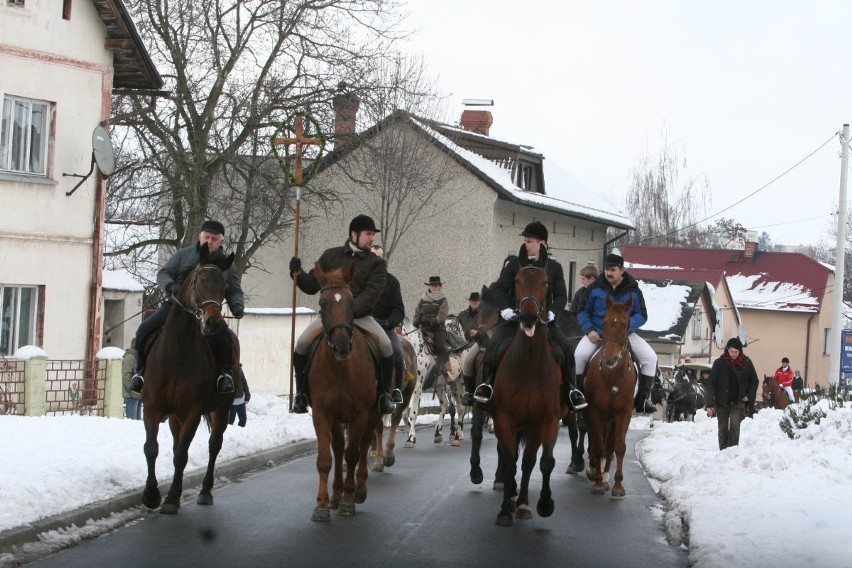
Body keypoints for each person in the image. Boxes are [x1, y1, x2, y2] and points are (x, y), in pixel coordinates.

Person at [470, 221, 587, 411]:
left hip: (543, 322)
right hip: (514, 320)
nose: (526, 244)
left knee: (566, 349)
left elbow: (561, 295)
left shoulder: (554, 267)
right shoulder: (515, 263)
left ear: (542, 242)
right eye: (525, 241)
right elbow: (499, 289)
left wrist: (552, 312)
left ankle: (571, 390)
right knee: (492, 347)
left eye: (530, 241)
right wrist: (505, 309)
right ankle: (487, 386)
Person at [289, 214, 396, 415]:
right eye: (368, 234)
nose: (371, 238)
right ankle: (301, 394)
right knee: (302, 344)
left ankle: (384, 395)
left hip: (361, 317)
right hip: (329, 319)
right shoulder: (330, 256)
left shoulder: (377, 264)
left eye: (372, 235)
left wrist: (347, 311)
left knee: (387, 346)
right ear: (353, 234)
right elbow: (312, 285)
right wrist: (297, 273)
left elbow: (372, 293)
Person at [129, 220, 244, 395]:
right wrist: (170, 286)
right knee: (144, 329)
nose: (210, 241)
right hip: (176, 307)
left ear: (221, 241)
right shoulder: (183, 255)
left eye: (214, 238)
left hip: (208, 312)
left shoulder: (227, 265)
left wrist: (237, 305)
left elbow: (234, 290)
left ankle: (224, 375)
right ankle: (140, 373)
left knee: (226, 339)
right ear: (200, 236)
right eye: (207, 237)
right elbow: (163, 273)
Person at [574, 253, 657, 413]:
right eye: (606, 269)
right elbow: (582, 311)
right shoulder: (594, 288)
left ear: (622, 270)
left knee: (650, 358)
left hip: (624, 334)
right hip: (597, 333)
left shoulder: (633, 290)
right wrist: (589, 330)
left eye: (612, 270)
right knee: (578, 356)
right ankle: (578, 397)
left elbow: (642, 314)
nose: (608, 273)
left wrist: (624, 326)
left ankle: (643, 400)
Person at [704, 337, 759, 450]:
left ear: (740, 351)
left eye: (736, 352)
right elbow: (711, 383)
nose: (734, 354)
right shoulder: (719, 363)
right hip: (722, 401)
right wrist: (709, 403)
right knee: (723, 428)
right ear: (727, 350)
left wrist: (749, 396)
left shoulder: (746, 362)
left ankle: (731, 451)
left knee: (734, 424)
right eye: (731, 351)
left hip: (738, 401)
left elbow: (754, 381)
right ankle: (723, 451)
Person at [370, 244, 405, 404]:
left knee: (397, 350)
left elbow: (398, 308)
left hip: (385, 326)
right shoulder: (358, 279)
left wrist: (389, 322)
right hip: (364, 324)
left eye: (380, 256)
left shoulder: (392, 282)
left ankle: (396, 388)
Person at [413, 276, 452, 385]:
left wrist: (431, 322)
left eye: (436, 286)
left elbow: (442, 316)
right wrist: (416, 321)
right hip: (424, 329)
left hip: (438, 329)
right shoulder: (423, 299)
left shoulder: (443, 299)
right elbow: (417, 313)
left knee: (440, 346)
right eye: (432, 285)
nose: (434, 287)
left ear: (440, 287)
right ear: (429, 286)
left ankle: (446, 371)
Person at [121, 339, 142, 420]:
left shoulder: (138, 357)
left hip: (138, 395)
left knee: (137, 423)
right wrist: (133, 390)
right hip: (131, 395)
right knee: (131, 421)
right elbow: (126, 377)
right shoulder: (129, 358)